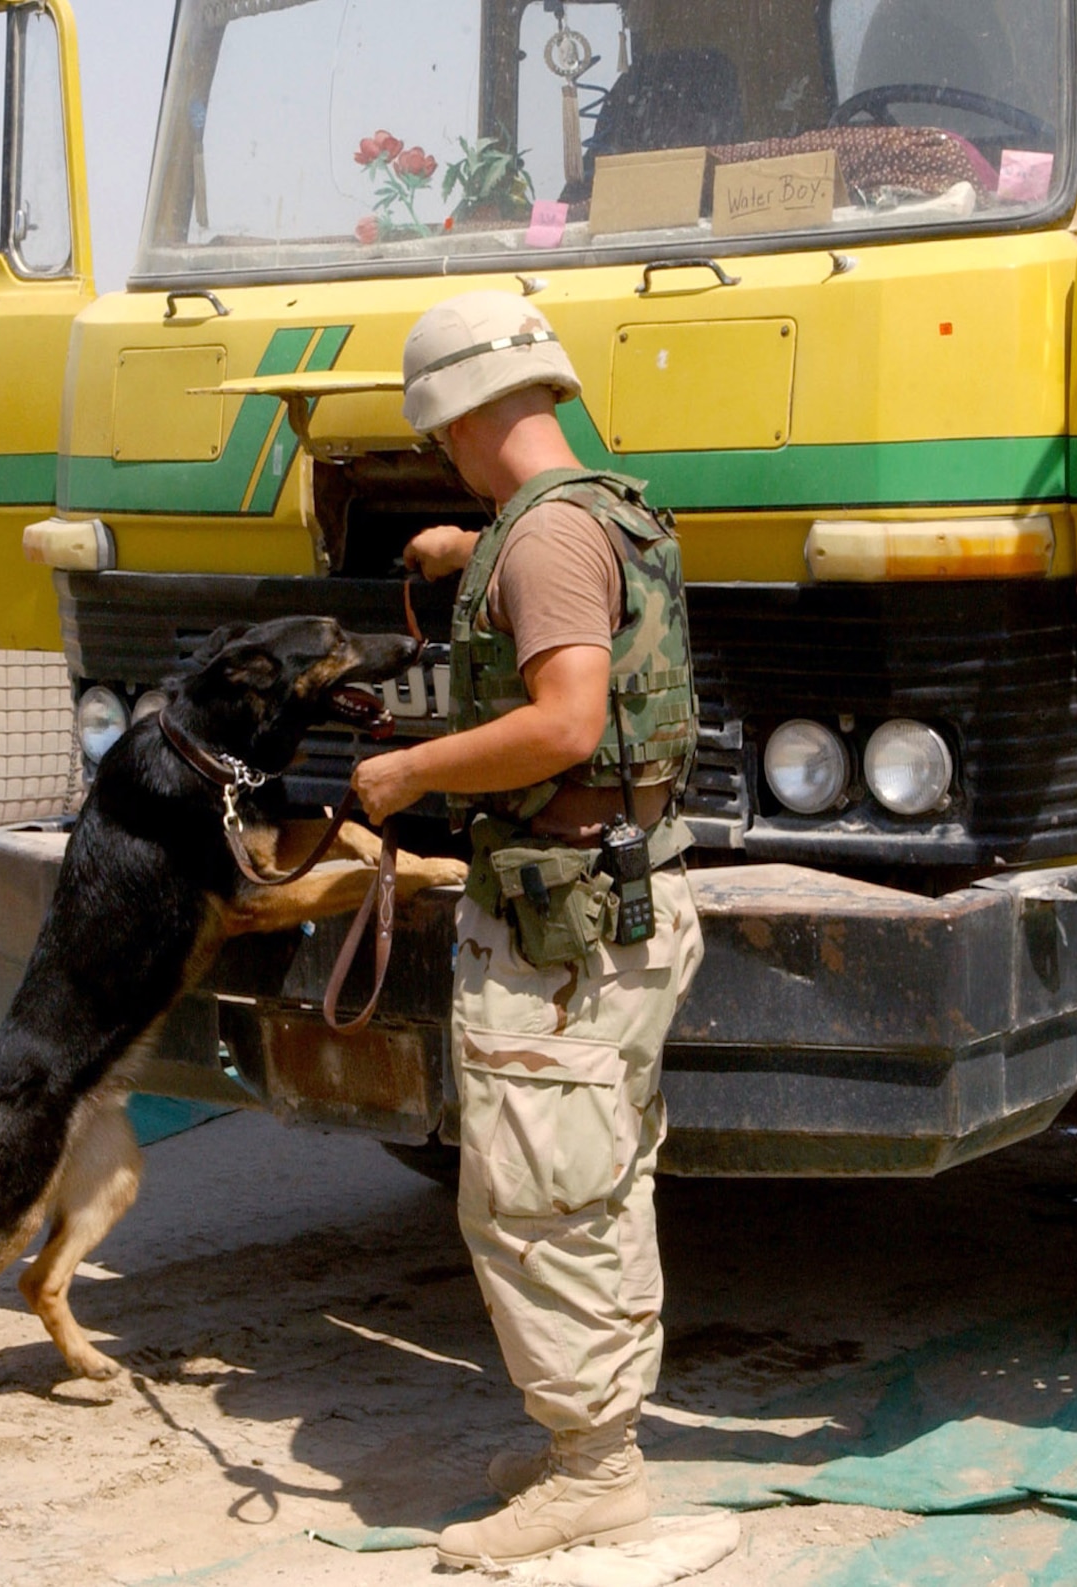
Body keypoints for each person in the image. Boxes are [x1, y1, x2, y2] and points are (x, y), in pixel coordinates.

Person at [352, 291, 703, 1569]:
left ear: (452, 414)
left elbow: (563, 722)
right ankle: (588, 1440)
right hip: (621, 904)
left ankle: (596, 1469)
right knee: (595, 1181)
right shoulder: (595, 508)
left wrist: (413, 774)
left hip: (564, 929)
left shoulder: (548, 545)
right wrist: (466, 550)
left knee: (535, 1197)